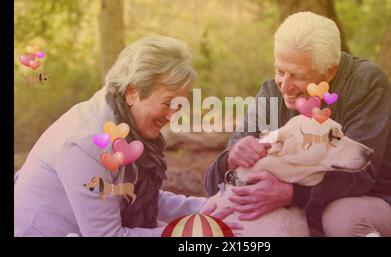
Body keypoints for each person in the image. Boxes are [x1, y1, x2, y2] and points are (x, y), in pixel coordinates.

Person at [204, 11, 391, 237]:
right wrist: (230, 159)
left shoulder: (366, 83)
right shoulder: (271, 94)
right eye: (279, 71)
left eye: (298, 76)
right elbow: (216, 182)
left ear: (330, 71)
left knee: (342, 218)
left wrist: (291, 194)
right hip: (311, 209)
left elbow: (362, 175)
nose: (285, 86)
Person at [14, 36, 240, 237]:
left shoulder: (125, 125)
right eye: (168, 103)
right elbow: (106, 235)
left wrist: (210, 209)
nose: (173, 115)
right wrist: (191, 233)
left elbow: (135, 197)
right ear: (132, 92)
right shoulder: (87, 142)